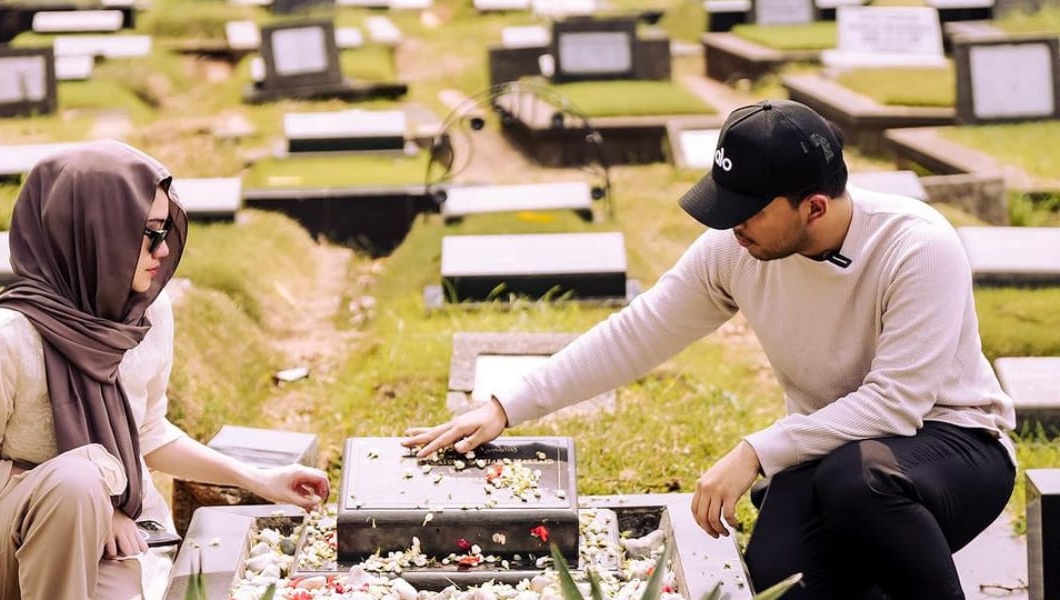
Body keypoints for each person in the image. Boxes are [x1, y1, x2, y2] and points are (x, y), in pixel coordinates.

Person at [404, 100, 1016, 599]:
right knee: (780, 579)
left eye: (747, 211)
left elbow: (895, 406)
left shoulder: (916, 247)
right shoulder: (737, 248)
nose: (732, 225)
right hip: (830, 454)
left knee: (859, 486)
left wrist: (755, 452)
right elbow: (637, 332)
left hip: (953, 445)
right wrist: (506, 407)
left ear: (815, 206)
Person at [0, 141, 330, 600]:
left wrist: (259, 478)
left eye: (166, 231)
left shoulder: (147, 314)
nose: (162, 251)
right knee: (77, 480)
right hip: (2, 548)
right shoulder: (5, 339)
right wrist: (89, 504)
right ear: (94, 233)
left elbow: (148, 432)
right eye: (149, 234)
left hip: (115, 534)